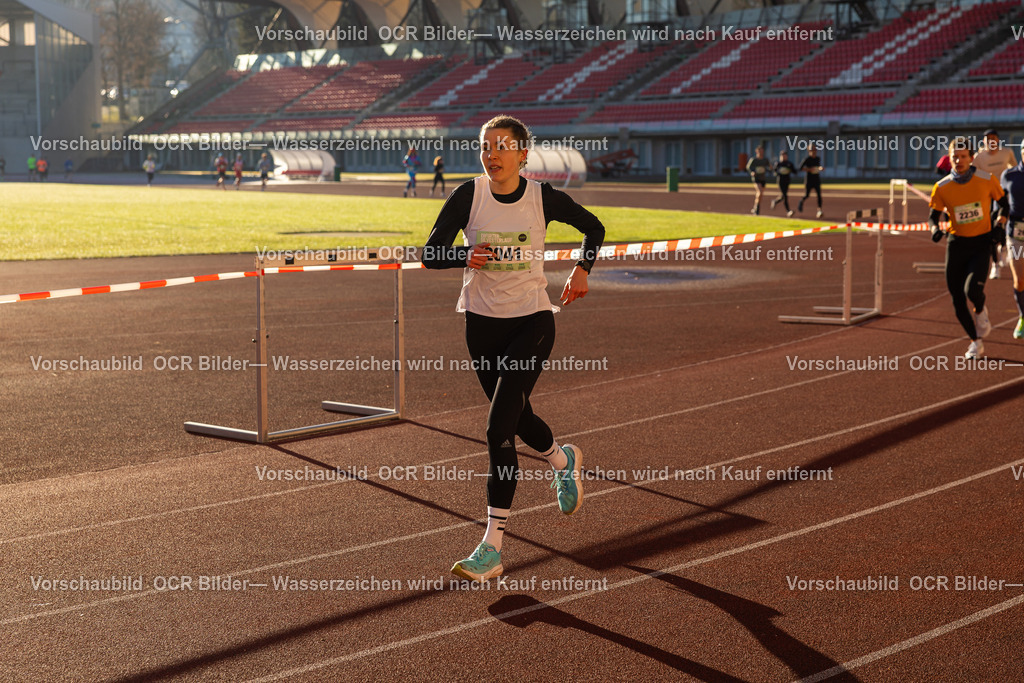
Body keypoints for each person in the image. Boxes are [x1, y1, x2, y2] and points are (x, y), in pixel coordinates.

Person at [422, 115, 605, 583]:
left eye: (502, 147)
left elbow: (593, 226)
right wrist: (464, 254)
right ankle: (563, 461)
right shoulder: (468, 195)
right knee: (518, 419)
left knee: (496, 429)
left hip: (532, 323)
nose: (492, 155)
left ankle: (492, 548)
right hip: (482, 328)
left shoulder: (541, 197)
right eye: (486, 147)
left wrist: (582, 269)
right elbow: (430, 253)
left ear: (523, 154)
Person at [929, 137, 1009, 359]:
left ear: (971, 158)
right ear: (950, 159)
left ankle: (981, 310)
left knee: (972, 290)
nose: (959, 160)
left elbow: (1004, 205)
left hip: (981, 244)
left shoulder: (986, 179)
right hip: (956, 244)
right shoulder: (942, 187)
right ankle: (976, 342)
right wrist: (935, 229)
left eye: (963, 156)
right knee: (956, 297)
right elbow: (933, 216)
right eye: (955, 157)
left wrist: (1000, 225)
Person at [973, 129, 1017, 279]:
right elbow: (973, 174)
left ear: (998, 140)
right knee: (990, 227)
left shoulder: (1007, 152)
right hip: (987, 195)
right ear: (983, 141)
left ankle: (1004, 246)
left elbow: (1014, 168)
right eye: (987, 139)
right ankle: (995, 265)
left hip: (1003, 194)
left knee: (1002, 223)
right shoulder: (979, 157)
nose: (991, 141)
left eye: (993, 138)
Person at [1000, 158, 1024, 339]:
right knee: (1020, 280)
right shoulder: (1009, 175)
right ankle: (1023, 316)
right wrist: (999, 216)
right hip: (1017, 235)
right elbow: (1000, 201)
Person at [798, 145, 824, 218]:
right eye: (812, 150)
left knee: (819, 195)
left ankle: (819, 210)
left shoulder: (818, 158)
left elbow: (818, 166)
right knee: (807, 195)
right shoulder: (807, 159)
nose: (814, 152)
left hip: (816, 179)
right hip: (809, 180)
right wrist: (809, 169)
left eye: (815, 150)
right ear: (809, 151)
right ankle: (801, 201)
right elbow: (800, 168)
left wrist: (821, 168)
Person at [771, 150, 797, 217]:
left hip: (787, 181)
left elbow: (795, 171)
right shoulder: (778, 164)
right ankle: (788, 211)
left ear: (787, 156)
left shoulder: (789, 164)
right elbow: (774, 172)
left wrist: (789, 170)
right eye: (782, 155)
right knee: (785, 196)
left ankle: (775, 201)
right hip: (780, 181)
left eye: (785, 155)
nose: (783, 157)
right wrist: (779, 172)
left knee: (783, 196)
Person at [746, 146, 771, 215]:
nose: (761, 152)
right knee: (759, 192)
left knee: (760, 194)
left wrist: (771, 169)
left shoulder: (765, 160)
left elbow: (769, 167)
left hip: (763, 179)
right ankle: (757, 209)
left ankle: (755, 207)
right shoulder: (754, 160)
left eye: (762, 151)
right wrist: (752, 172)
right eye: (759, 151)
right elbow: (748, 167)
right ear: (756, 151)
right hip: (756, 178)